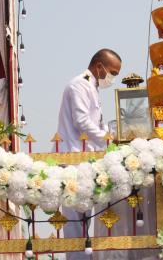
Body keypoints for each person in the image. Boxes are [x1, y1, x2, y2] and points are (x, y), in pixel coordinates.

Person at [56, 48, 122, 260]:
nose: (112, 78)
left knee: (84, 221)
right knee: (75, 226)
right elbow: (82, 122)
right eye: (112, 72)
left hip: (86, 162)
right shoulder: (79, 85)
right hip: (73, 161)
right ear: (99, 66)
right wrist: (108, 139)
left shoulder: (91, 87)